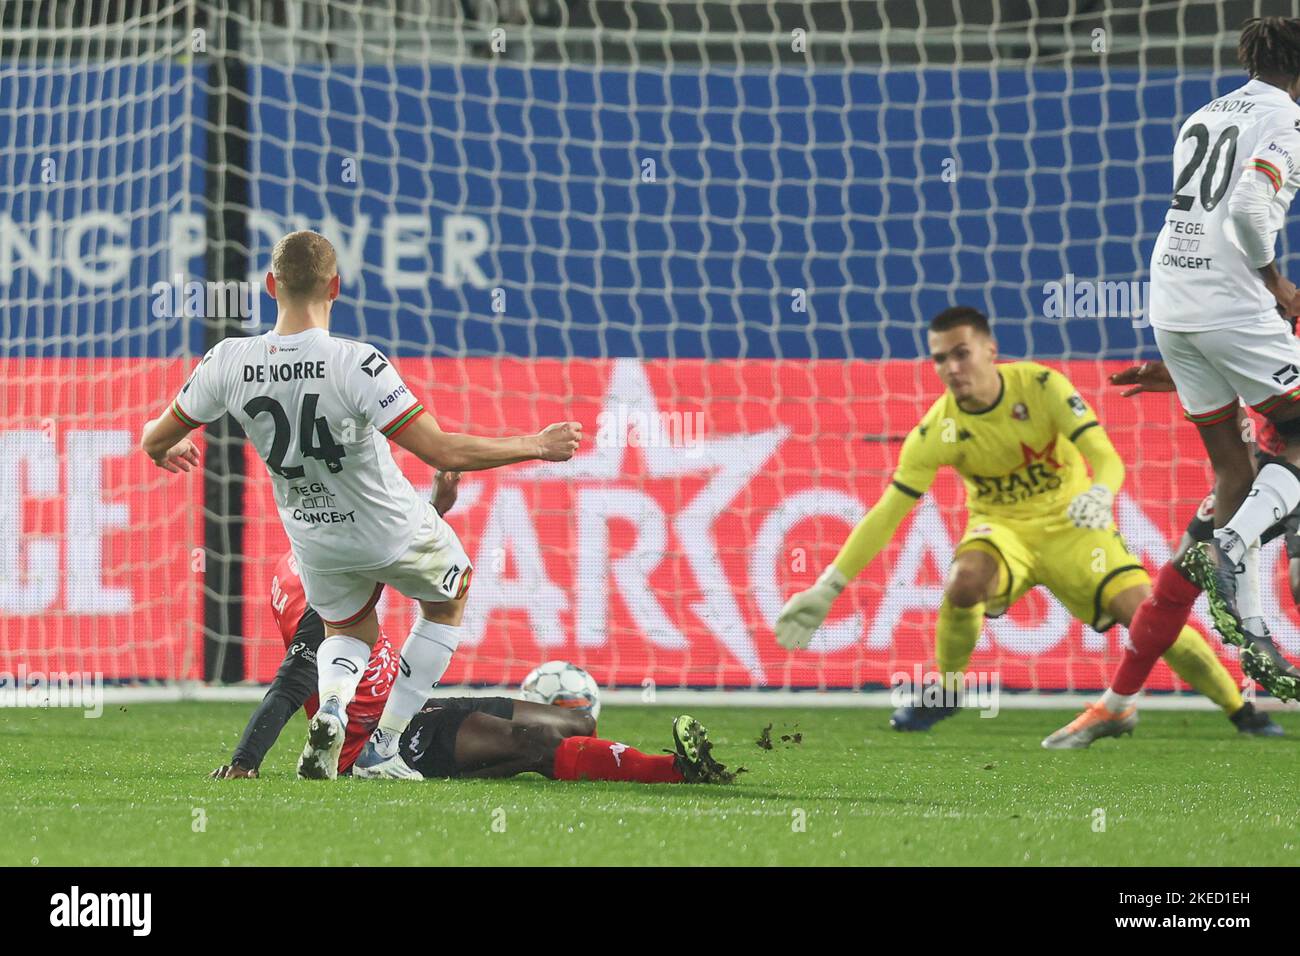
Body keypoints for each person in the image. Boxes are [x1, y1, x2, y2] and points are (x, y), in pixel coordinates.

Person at [140, 230, 582, 780]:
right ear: (337, 287)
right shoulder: (358, 364)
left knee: (347, 633)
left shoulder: (227, 360)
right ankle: (385, 744)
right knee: (452, 594)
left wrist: (167, 447)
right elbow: (441, 449)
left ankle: (331, 708)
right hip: (387, 525)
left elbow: (155, 439)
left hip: (315, 541)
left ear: (270, 285)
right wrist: (537, 444)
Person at [773, 306, 1277, 740]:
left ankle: (1241, 711)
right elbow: (888, 511)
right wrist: (829, 585)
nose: (951, 368)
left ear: (990, 349)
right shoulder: (937, 429)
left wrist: (1102, 492)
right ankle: (947, 690)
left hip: (1076, 530)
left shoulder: (1040, 387)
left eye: (961, 353)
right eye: (940, 359)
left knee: (1147, 619)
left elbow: (1104, 456)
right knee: (964, 580)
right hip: (1003, 532)